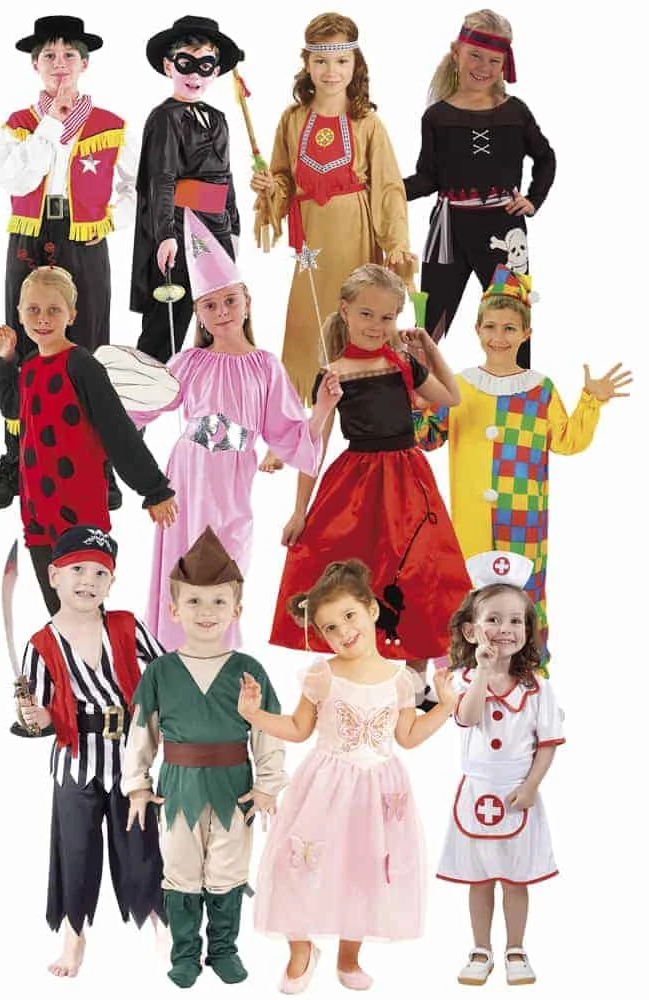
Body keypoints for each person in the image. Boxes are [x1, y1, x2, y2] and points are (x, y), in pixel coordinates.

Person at [105, 210, 340, 651]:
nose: (222, 312)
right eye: (210, 305)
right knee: (182, 563)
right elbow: (142, 409)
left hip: (232, 480)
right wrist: (107, 405)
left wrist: (323, 408)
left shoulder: (265, 366)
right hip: (187, 476)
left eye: (230, 301)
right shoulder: (190, 361)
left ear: (247, 301)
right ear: (198, 313)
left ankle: (219, 656)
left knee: (225, 566)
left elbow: (290, 436)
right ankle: (173, 655)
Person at [238, 559, 457, 992]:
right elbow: (298, 728)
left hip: (378, 791)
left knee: (364, 868)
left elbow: (408, 736)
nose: (343, 632)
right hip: (325, 785)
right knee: (297, 863)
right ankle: (301, 948)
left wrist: (446, 706)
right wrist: (254, 715)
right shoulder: (322, 675)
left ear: (372, 610)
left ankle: (349, 955)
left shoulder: (400, 679)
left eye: (349, 616)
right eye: (330, 628)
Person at [414, 265, 632, 669]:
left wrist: (591, 402)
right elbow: (428, 438)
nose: (499, 336)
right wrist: (415, 397)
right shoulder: (458, 385)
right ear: (477, 330)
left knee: (523, 591)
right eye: (491, 327)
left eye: (510, 328)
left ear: (525, 334)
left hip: (523, 517)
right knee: (468, 589)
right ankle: (464, 669)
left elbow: (567, 441)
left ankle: (527, 667)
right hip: (470, 519)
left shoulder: (539, 389)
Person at [269, 263, 471, 687]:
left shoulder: (402, 363)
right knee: (358, 573)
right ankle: (357, 668)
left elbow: (451, 397)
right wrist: (299, 511)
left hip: (408, 480)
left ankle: (416, 676)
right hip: (356, 486)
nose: (376, 326)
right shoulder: (333, 374)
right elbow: (314, 447)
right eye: (366, 314)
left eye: (387, 317)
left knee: (417, 569)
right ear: (345, 311)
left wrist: (429, 348)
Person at [0, 15, 136, 511]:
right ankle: (17, 457)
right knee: (24, 339)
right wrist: (51, 123)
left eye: (69, 54)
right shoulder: (19, 124)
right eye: (49, 55)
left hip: (84, 237)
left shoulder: (111, 125)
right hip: (30, 234)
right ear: (35, 65)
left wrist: (107, 216)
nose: (60, 63)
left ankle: (98, 462)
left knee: (88, 343)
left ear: (85, 64)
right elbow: (16, 180)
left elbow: (137, 185)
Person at [122, 527, 286, 988]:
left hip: (234, 787)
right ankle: (185, 954)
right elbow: (141, 733)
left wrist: (267, 785)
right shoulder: (160, 672)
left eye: (218, 601)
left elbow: (268, 730)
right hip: (179, 787)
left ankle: (224, 949)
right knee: (180, 867)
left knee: (228, 867)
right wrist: (137, 786)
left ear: (236, 609)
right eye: (193, 601)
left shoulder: (249, 670)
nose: (206, 611)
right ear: (174, 609)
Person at [17, 526, 167, 977]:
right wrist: (33, 714)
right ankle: (73, 936)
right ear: (54, 576)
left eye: (100, 573)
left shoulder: (125, 625)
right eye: (78, 569)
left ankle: (163, 924)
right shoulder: (41, 644)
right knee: (76, 851)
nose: (89, 580)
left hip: (129, 759)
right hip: (75, 760)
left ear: (111, 582)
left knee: (141, 843)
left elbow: (166, 671)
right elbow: (41, 718)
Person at [0, 265, 178, 613]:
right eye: (33, 309)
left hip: (80, 511)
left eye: (53, 310)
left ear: (71, 315)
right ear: (19, 312)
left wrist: (154, 489)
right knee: (59, 612)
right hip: (37, 512)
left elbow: (117, 431)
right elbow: (9, 403)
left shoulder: (82, 365)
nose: (42, 318)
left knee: (86, 610)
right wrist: (5, 360)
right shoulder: (30, 367)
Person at [251, 12, 414, 409]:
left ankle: (365, 404)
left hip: (355, 235)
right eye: (321, 60)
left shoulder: (367, 122)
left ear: (355, 64)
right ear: (306, 63)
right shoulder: (292, 119)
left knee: (359, 314)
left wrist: (396, 242)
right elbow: (284, 177)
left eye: (341, 60)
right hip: (312, 245)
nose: (331, 71)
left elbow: (388, 188)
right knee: (310, 321)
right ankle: (307, 412)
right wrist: (271, 190)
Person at [438, 550, 565, 986]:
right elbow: (468, 717)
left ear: (528, 630)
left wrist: (531, 787)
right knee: (478, 878)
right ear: (471, 630)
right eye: (493, 619)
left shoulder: (537, 687)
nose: (505, 629)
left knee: (514, 878)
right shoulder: (461, 680)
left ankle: (515, 947)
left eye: (515, 621)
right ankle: (480, 948)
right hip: (476, 793)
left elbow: (547, 745)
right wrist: (482, 671)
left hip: (517, 795)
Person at [403, 8, 555, 367]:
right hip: (449, 231)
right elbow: (428, 178)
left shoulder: (515, 112)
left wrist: (533, 199)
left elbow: (545, 157)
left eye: (493, 60)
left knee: (511, 316)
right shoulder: (437, 117)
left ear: (505, 64)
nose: (483, 67)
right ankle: (418, 392)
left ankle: (517, 392)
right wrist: (386, 189)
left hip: (504, 229)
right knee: (431, 320)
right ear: (456, 52)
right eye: (475, 55)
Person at [131, 15, 243, 362]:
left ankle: (214, 386)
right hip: (182, 227)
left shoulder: (218, 118)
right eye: (186, 64)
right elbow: (161, 179)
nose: (195, 75)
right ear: (170, 66)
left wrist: (234, 228)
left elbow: (226, 177)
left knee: (221, 316)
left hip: (216, 228)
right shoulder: (165, 118)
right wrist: (165, 234)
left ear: (215, 71)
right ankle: (145, 390)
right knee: (168, 320)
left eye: (205, 65)